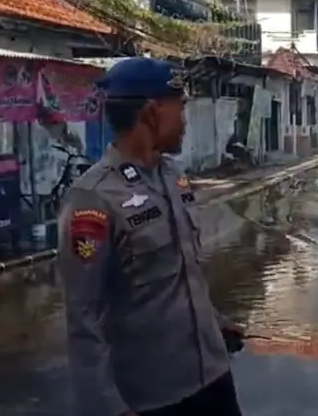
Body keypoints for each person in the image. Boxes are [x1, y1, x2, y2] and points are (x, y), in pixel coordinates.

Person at [57, 58, 245, 416]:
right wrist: (106, 407)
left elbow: (180, 273)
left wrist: (216, 322)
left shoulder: (173, 176)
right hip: (154, 397)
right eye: (181, 107)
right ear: (151, 113)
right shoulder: (94, 197)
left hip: (213, 377)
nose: (186, 120)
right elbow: (83, 318)